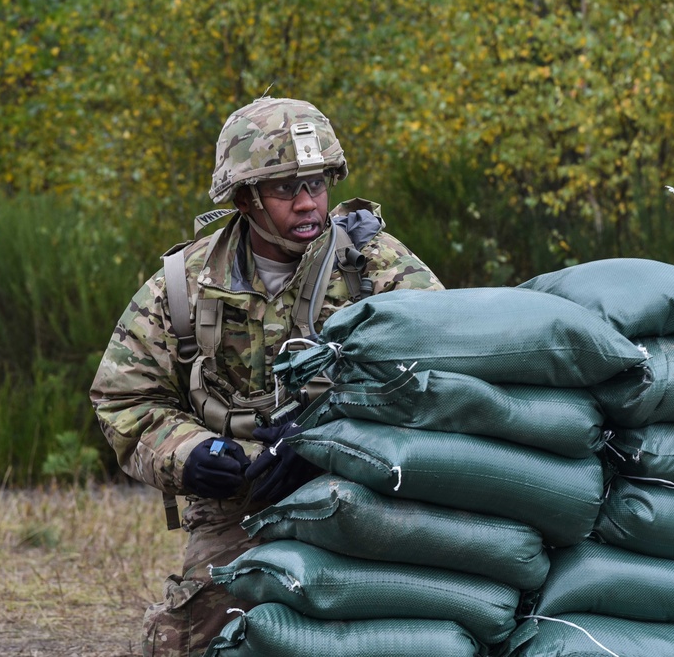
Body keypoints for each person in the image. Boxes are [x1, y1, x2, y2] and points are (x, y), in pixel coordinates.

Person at [90, 97, 444, 657]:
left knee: (397, 626)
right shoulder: (182, 286)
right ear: (244, 197)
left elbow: (444, 375)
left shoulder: (380, 268)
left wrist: (327, 444)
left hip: (364, 484)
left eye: (318, 184)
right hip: (240, 500)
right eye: (286, 190)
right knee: (194, 637)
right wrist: (192, 455)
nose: (308, 205)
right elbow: (125, 398)